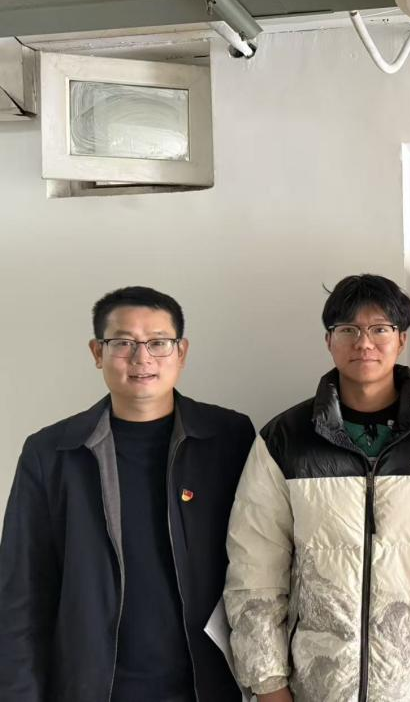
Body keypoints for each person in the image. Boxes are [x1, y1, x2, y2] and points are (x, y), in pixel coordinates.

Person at [224, 274, 410, 702]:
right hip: (314, 685)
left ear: (401, 339)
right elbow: (254, 568)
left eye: (380, 329)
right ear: (328, 340)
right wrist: (267, 682)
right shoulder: (286, 439)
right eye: (348, 329)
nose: (364, 342)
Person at [0, 286, 255, 702]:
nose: (142, 358)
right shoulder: (52, 453)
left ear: (181, 352)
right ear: (97, 352)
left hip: (206, 685)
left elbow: (261, 566)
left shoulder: (228, 438)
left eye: (158, 342)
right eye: (123, 343)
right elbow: (21, 592)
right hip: (93, 688)